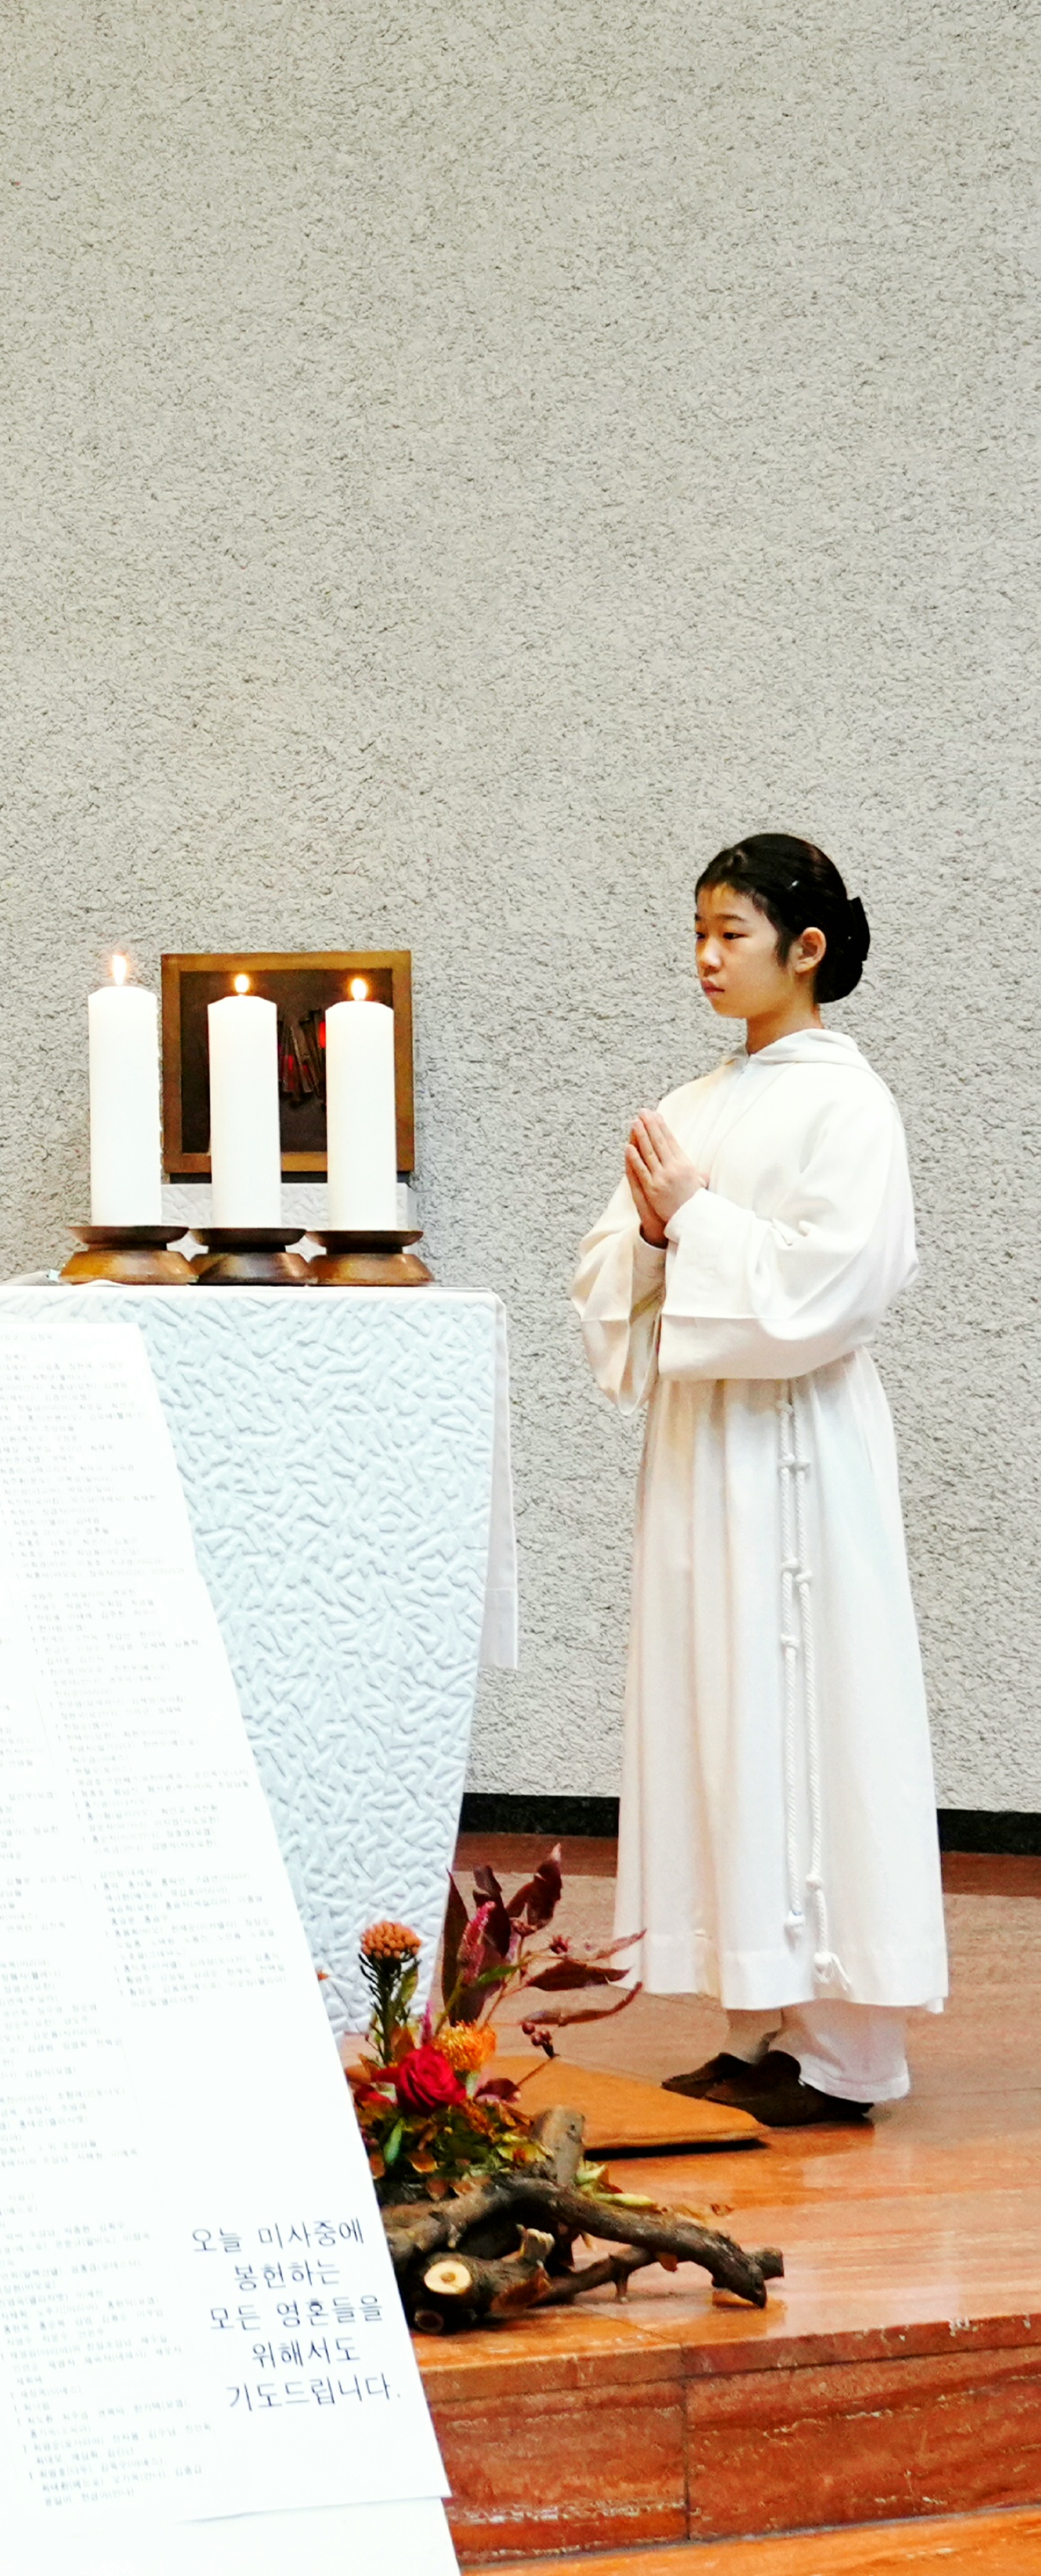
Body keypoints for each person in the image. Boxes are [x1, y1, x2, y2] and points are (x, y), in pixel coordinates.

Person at [572, 834, 943, 2128]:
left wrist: (694, 1219)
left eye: (731, 932)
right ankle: (757, 2022)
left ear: (808, 948)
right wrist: (656, 1230)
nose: (707, 957)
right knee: (722, 1710)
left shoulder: (852, 1106)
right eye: (698, 932)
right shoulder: (695, 1100)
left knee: (816, 1709)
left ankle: (847, 2051)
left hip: (803, 1453)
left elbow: (838, 1282)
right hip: (704, 1458)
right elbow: (608, 1274)